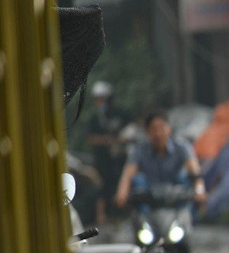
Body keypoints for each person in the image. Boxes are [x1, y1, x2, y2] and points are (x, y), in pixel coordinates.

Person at [115, 110, 206, 215]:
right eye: (153, 129)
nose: (158, 133)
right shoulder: (139, 151)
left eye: (162, 127)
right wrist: (122, 193)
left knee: (184, 179)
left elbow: (195, 173)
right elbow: (127, 175)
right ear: (147, 132)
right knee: (137, 180)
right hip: (150, 197)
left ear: (169, 129)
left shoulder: (182, 147)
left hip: (174, 197)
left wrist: (200, 191)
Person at [82, 80, 128, 225]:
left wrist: (120, 140)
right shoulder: (94, 117)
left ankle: (121, 213)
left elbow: (128, 129)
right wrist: (105, 141)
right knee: (101, 186)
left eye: (102, 99)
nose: (100, 102)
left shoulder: (118, 113)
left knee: (119, 181)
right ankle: (101, 216)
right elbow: (89, 137)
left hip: (117, 157)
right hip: (101, 158)